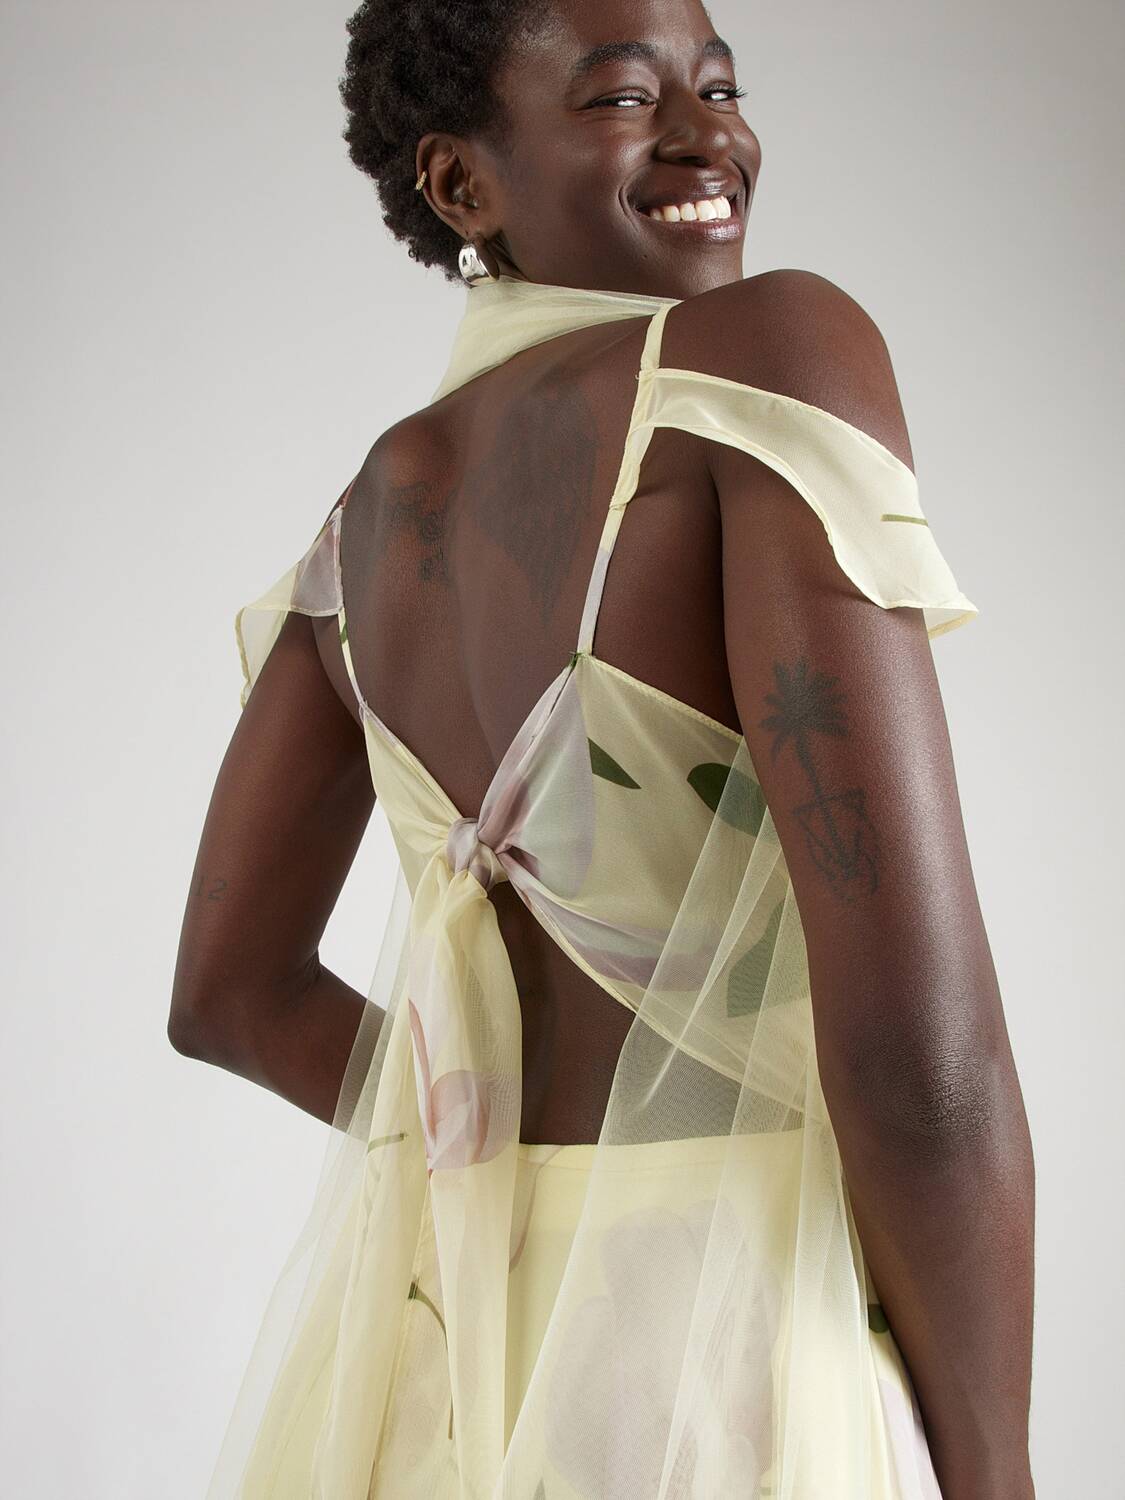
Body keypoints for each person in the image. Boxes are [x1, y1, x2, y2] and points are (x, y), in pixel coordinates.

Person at [169, 1, 1036, 1496]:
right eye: (626, 98)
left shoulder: (367, 524)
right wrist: (997, 1471)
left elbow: (228, 999)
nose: (712, 136)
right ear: (460, 184)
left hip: (447, 1367)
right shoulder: (767, 356)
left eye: (721, 84)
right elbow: (920, 1058)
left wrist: (464, 1141)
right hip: (728, 1353)